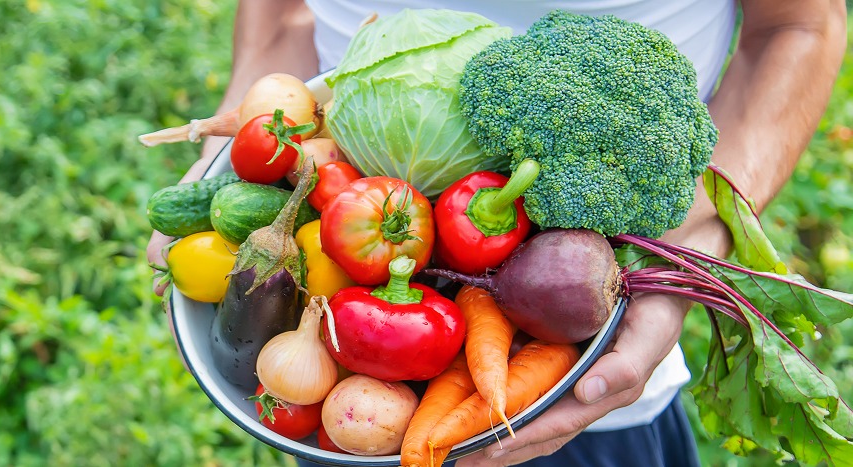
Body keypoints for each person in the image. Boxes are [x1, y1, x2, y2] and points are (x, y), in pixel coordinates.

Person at [147, 1, 848, 465]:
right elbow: (283, 15)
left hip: (590, 383)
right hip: (342, 411)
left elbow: (798, 26)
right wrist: (239, 134)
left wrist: (702, 239)